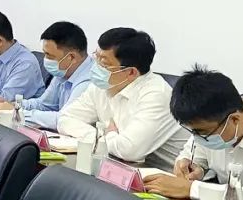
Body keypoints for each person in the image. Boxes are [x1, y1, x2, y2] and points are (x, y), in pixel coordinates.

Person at [143, 67, 243, 200]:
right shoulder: (210, 123)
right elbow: (193, 156)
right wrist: (194, 168)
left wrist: (193, 189)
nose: (197, 137)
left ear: (234, 119)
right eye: (193, 132)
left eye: (202, 133)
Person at [58, 28, 188, 171]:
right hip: (123, 166)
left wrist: (108, 136)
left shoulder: (157, 94)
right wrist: (100, 136)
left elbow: (129, 151)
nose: (96, 67)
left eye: (104, 64)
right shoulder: (102, 85)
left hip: (170, 175)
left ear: (131, 72)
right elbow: (65, 119)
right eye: (96, 57)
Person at [0, 21, 92, 130]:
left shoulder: (89, 82)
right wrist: (14, 105)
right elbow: (44, 104)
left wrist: (16, 113)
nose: (45, 59)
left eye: (49, 55)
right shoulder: (64, 71)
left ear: (71, 57)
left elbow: (63, 119)